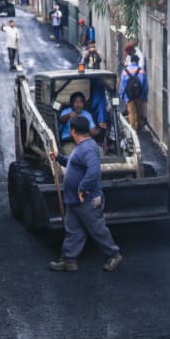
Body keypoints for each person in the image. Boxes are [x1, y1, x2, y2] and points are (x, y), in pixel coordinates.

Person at [50, 115, 124, 273]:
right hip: (75, 200)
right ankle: (69, 260)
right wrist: (59, 158)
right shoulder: (82, 146)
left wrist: (82, 188)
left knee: (97, 229)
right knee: (73, 230)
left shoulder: (88, 148)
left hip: (86, 199)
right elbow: (73, 163)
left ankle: (114, 254)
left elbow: (94, 171)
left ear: (73, 131)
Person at [119, 60, 147, 131]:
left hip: (129, 95)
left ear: (130, 61)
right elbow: (145, 85)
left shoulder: (125, 71)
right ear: (137, 62)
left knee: (130, 111)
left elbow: (122, 84)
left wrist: (121, 94)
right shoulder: (141, 71)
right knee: (139, 110)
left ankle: (133, 127)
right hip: (139, 94)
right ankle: (138, 125)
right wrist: (144, 95)